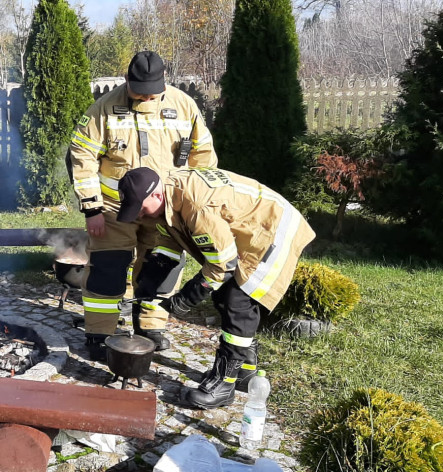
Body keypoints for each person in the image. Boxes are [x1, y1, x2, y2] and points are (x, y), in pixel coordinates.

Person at [116, 167, 315, 409]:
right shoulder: (169, 196)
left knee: (238, 301)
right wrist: (152, 274)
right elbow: (171, 237)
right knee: (223, 296)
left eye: (140, 208)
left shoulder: (196, 205)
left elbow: (223, 264)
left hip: (273, 231)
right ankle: (245, 372)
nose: (139, 216)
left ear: (156, 196)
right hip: (252, 228)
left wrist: (188, 297)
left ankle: (223, 386)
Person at [68, 51, 218, 358]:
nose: (147, 95)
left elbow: (204, 157)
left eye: (153, 90)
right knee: (107, 271)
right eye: (140, 90)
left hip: (166, 212)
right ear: (127, 80)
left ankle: (150, 325)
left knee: (162, 268)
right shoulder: (105, 108)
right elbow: (81, 157)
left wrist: (191, 205)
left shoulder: (184, 106)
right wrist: (92, 208)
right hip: (113, 210)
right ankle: (99, 333)